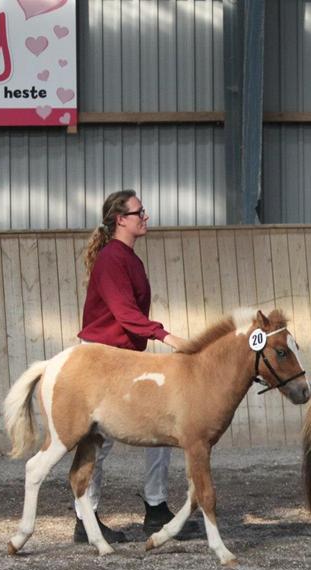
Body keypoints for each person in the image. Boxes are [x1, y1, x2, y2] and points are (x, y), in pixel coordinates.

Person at [73, 189, 196, 544]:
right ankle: (85, 518)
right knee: (99, 440)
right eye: (139, 212)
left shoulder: (129, 258)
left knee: (161, 426)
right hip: (101, 358)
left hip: (126, 356)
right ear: (120, 219)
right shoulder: (112, 259)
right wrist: (168, 337)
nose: (146, 216)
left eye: (144, 211)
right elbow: (126, 314)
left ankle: (156, 507)